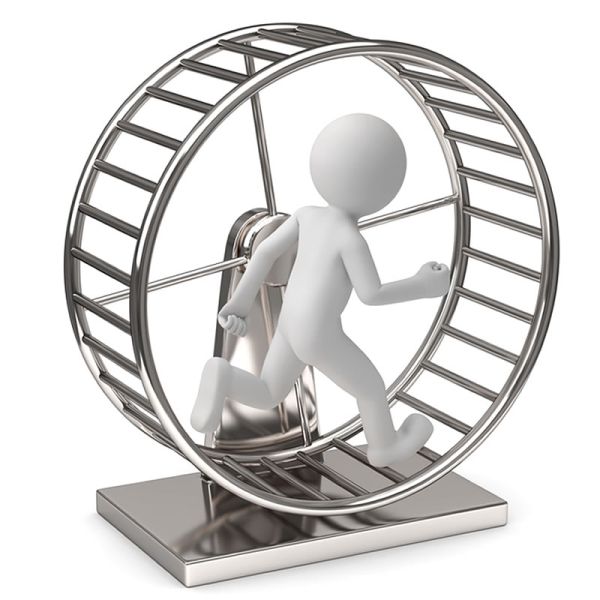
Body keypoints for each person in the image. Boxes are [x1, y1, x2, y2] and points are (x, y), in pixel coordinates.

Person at [191, 113, 450, 467]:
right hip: (318, 333)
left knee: (269, 392)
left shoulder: (305, 215)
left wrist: (238, 304)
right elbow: (371, 294)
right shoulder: (350, 239)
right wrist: (423, 285)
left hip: (288, 322)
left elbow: (263, 253)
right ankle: (384, 447)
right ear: (385, 189)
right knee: (371, 389)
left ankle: (224, 376)